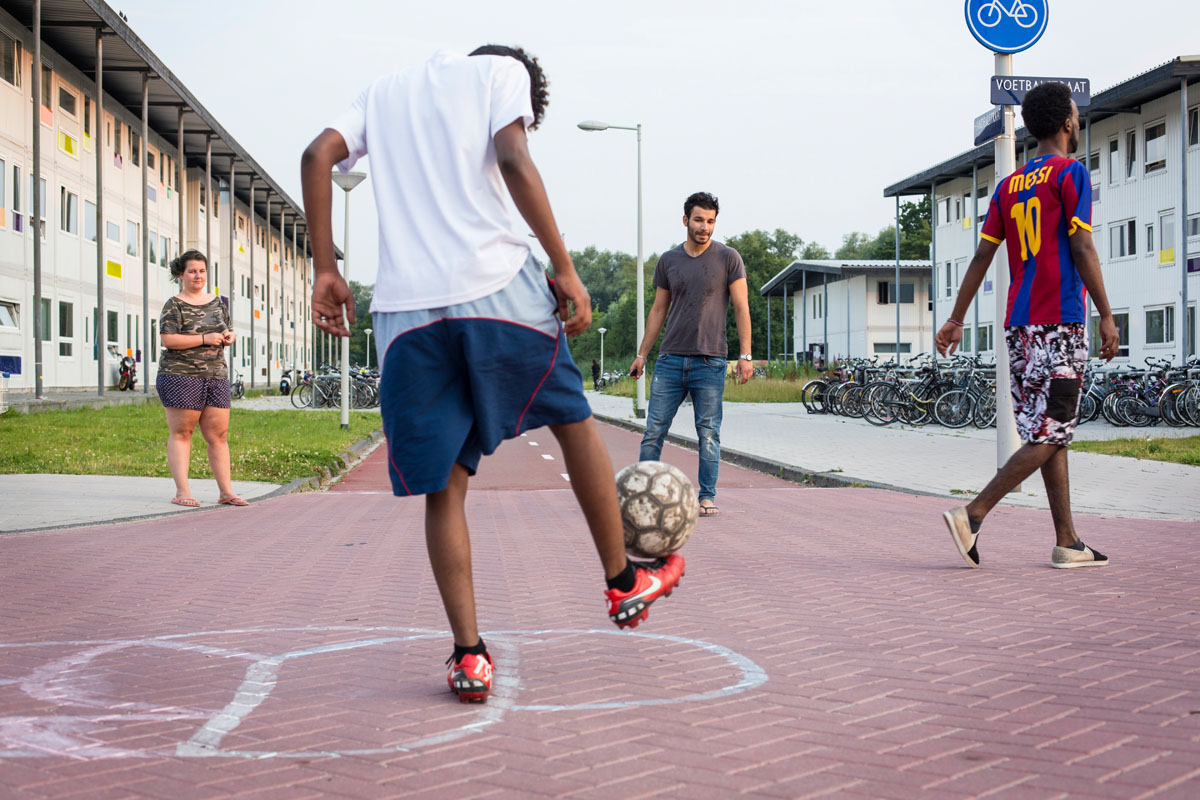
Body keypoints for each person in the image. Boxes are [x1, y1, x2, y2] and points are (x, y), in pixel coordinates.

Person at [301, 45, 684, 704]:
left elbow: (315, 156)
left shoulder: (382, 92)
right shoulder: (502, 74)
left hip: (406, 314)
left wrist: (325, 268)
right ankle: (624, 581)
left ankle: (469, 656)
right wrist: (564, 266)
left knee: (445, 485)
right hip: (495, 286)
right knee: (572, 418)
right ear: (526, 94)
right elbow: (511, 159)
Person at [936, 81, 1119, 570]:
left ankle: (1068, 542)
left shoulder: (1008, 185)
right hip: (1060, 322)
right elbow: (1082, 248)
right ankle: (972, 513)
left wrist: (956, 318)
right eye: (1076, 116)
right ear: (1066, 122)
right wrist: (1106, 313)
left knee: (1048, 431)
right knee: (1051, 430)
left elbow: (981, 256)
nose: (1078, 123)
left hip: (1019, 328)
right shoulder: (1071, 174)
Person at [629, 192, 753, 518]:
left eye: (711, 221)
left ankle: (707, 496)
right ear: (686, 220)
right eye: (699, 220)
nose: (705, 227)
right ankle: (643, 492)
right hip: (670, 359)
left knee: (708, 433)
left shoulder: (729, 258)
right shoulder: (669, 260)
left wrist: (746, 355)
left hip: (710, 361)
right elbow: (658, 310)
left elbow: (741, 307)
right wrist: (642, 354)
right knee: (654, 430)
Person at [157, 250, 248, 508]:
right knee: (182, 433)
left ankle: (226, 492)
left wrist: (229, 337)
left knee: (218, 435)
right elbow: (168, 339)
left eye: (202, 271)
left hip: (216, 375)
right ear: (181, 274)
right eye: (192, 271)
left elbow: (227, 330)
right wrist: (204, 339)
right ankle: (182, 491)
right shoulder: (174, 304)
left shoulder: (219, 302)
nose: (198, 276)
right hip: (180, 375)